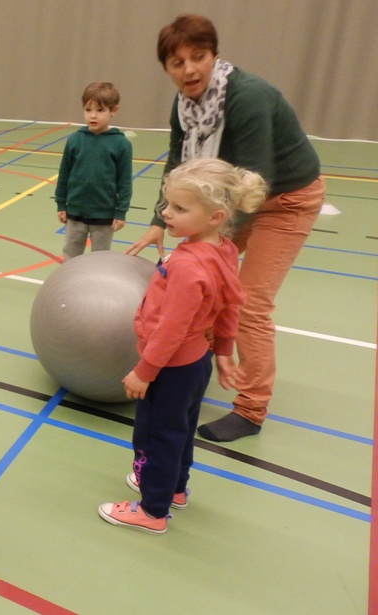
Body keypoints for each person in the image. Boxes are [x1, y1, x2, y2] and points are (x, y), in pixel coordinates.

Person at [125, 14, 326, 442]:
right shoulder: (184, 105)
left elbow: (255, 179)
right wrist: (160, 220)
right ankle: (205, 360)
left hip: (283, 198)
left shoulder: (247, 97)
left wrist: (209, 252)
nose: (190, 70)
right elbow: (178, 164)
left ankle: (251, 408)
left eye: (198, 57)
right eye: (177, 63)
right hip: (229, 199)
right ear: (166, 69)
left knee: (246, 301)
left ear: (214, 55)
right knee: (206, 281)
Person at [100, 158, 266, 534]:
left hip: (169, 368)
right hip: (195, 364)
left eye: (179, 208)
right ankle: (174, 489)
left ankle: (151, 511)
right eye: (167, 203)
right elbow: (231, 301)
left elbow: (171, 330)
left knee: (154, 437)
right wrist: (223, 351)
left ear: (215, 216)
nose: (166, 213)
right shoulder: (224, 250)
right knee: (179, 431)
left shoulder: (187, 267)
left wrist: (144, 372)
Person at [54, 82, 132, 261]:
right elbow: (64, 174)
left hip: (104, 215)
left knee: (100, 259)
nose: (93, 115)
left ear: (114, 110)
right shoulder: (75, 140)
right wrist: (61, 204)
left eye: (100, 110)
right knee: (71, 255)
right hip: (75, 213)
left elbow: (125, 182)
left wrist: (121, 212)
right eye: (88, 110)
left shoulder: (121, 144)